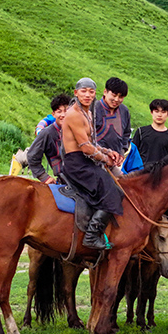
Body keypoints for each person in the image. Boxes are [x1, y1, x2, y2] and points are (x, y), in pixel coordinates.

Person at [61, 78, 124, 250]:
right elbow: (86, 148)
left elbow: (92, 143)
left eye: (91, 91)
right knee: (113, 192)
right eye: (84, 91)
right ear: (76, 93)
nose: (88, 95)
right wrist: (105, 159)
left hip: (84, 161)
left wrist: (107, 151)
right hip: (77, 164)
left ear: (96, 93)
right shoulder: (74, 114)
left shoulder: (87, 113)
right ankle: (91, 235)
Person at [95, 77, 137, 176]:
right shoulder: (94, 109)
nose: (116, 100)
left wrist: (121, 152)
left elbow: (126, 134)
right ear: (105, 92)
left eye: (121, 97)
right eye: (114, 95)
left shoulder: (124, 110)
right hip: (94, 160)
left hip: (114, 163)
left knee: (124, 186)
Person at [27, 94, 71, 184]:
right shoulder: (47, 133)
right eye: (59, 112)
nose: (63, 115)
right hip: (65, 181)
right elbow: (32, 156)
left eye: (66, 111)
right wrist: (44, 177)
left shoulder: (78, 130)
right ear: (53, 114)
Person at [132, 99, 168, 166]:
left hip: (159, 174)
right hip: (140, 172)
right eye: (156, 111)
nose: (159, 115)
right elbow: (132, 153)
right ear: (151, 112)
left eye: (163, 112)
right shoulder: (141, 132)